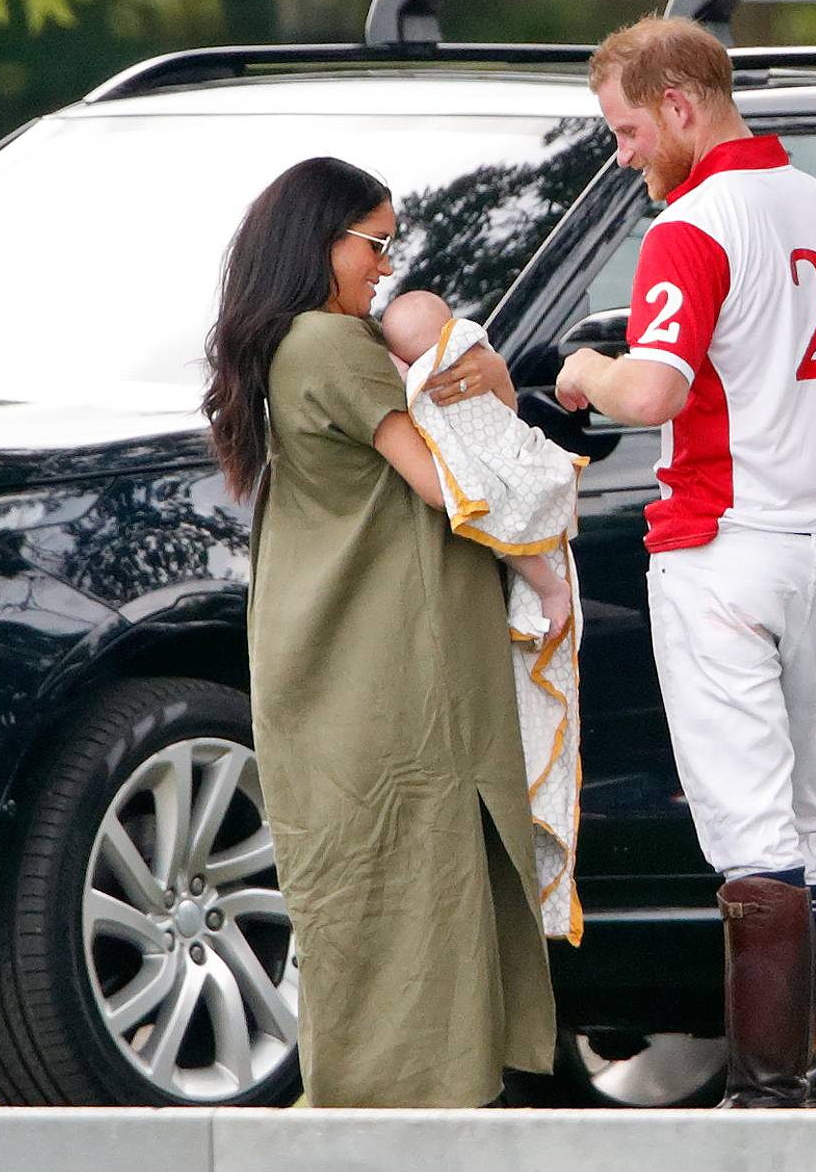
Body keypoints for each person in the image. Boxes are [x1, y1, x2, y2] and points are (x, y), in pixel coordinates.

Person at [555, 18, 816, 1109]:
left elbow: (655, 391)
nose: (624, 153)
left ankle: (769, 1092)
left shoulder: (692, 226)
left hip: (719, 550)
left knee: (747, 828)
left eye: (628, 129)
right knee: (809, 815)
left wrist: (586, 368)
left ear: (679, 105)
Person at [201, 156, 555, 1108]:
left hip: (333, 670)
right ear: (320, 240)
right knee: (417, 898)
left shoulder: (287, 347)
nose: (385, 267)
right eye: (375, 243)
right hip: (390, 670)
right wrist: (492, 396)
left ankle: (374, 1112)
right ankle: (412, 1120)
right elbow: (453, 484)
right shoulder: (332, 345)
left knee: (362, 901)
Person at [382, 287, 586, 945]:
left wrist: (496, 381)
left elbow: (480, 466)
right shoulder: (418, 388)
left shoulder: (453, 374)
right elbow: (470, 487)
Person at [382, 289, 574, 643]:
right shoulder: (467, 354)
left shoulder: (462, 363)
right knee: (508, 526)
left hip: (505, 465)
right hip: (506, 468)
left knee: (506, 525)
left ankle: (550, 589)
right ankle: (547, 590)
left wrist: (497, 373)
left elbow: (504, 416)